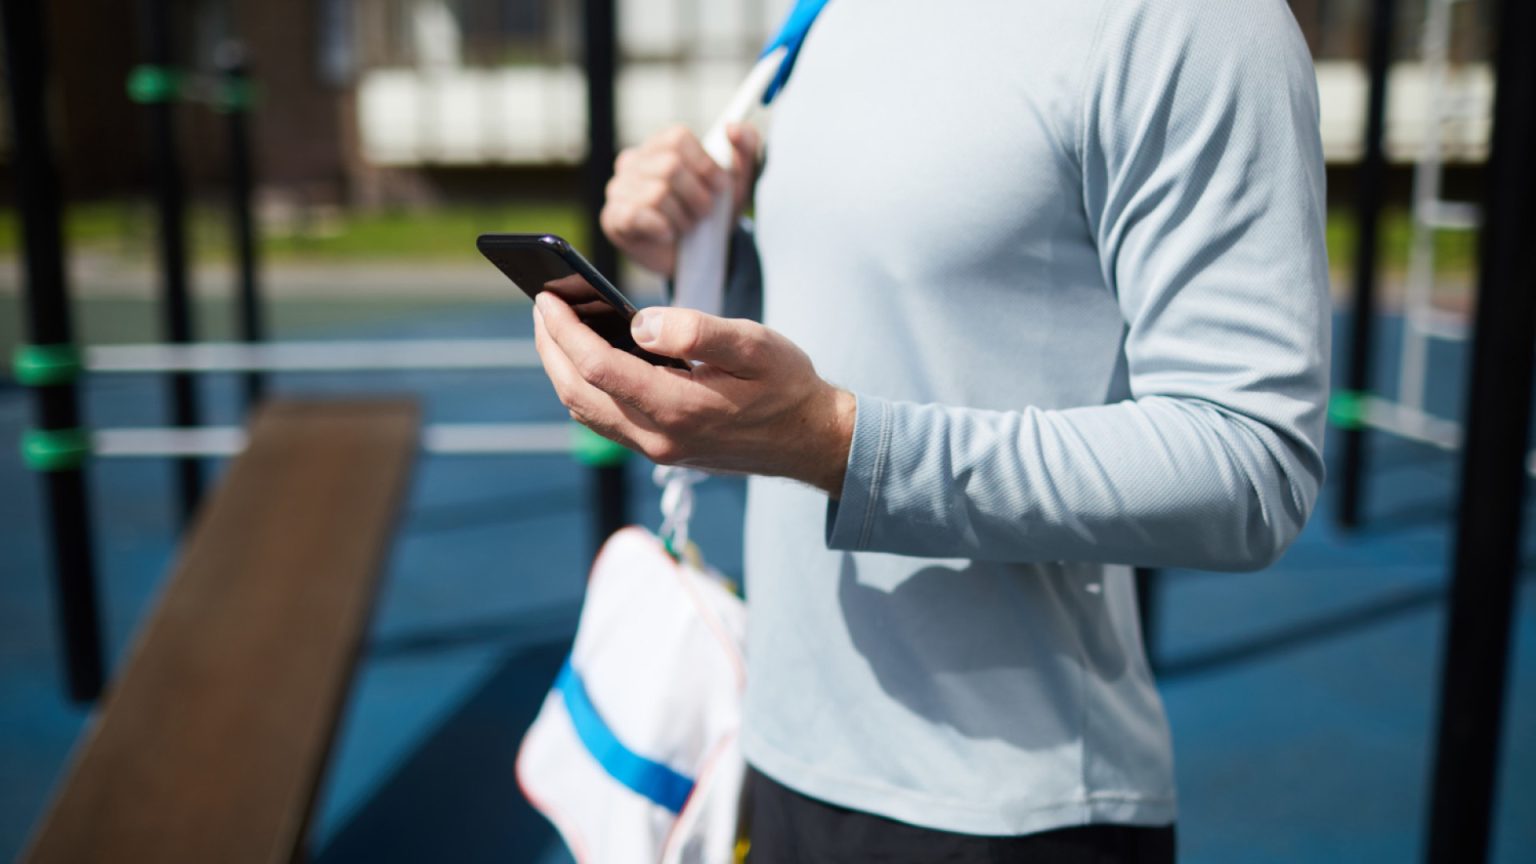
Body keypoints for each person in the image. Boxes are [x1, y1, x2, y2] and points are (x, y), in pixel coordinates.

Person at [530, 0, 1330, 859]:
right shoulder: (828, 12)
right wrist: (708, 261)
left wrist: (837, 443)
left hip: (1008, 809)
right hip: (776, 754)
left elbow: (1252, 463)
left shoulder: (1192, 21)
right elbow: (875, 334)